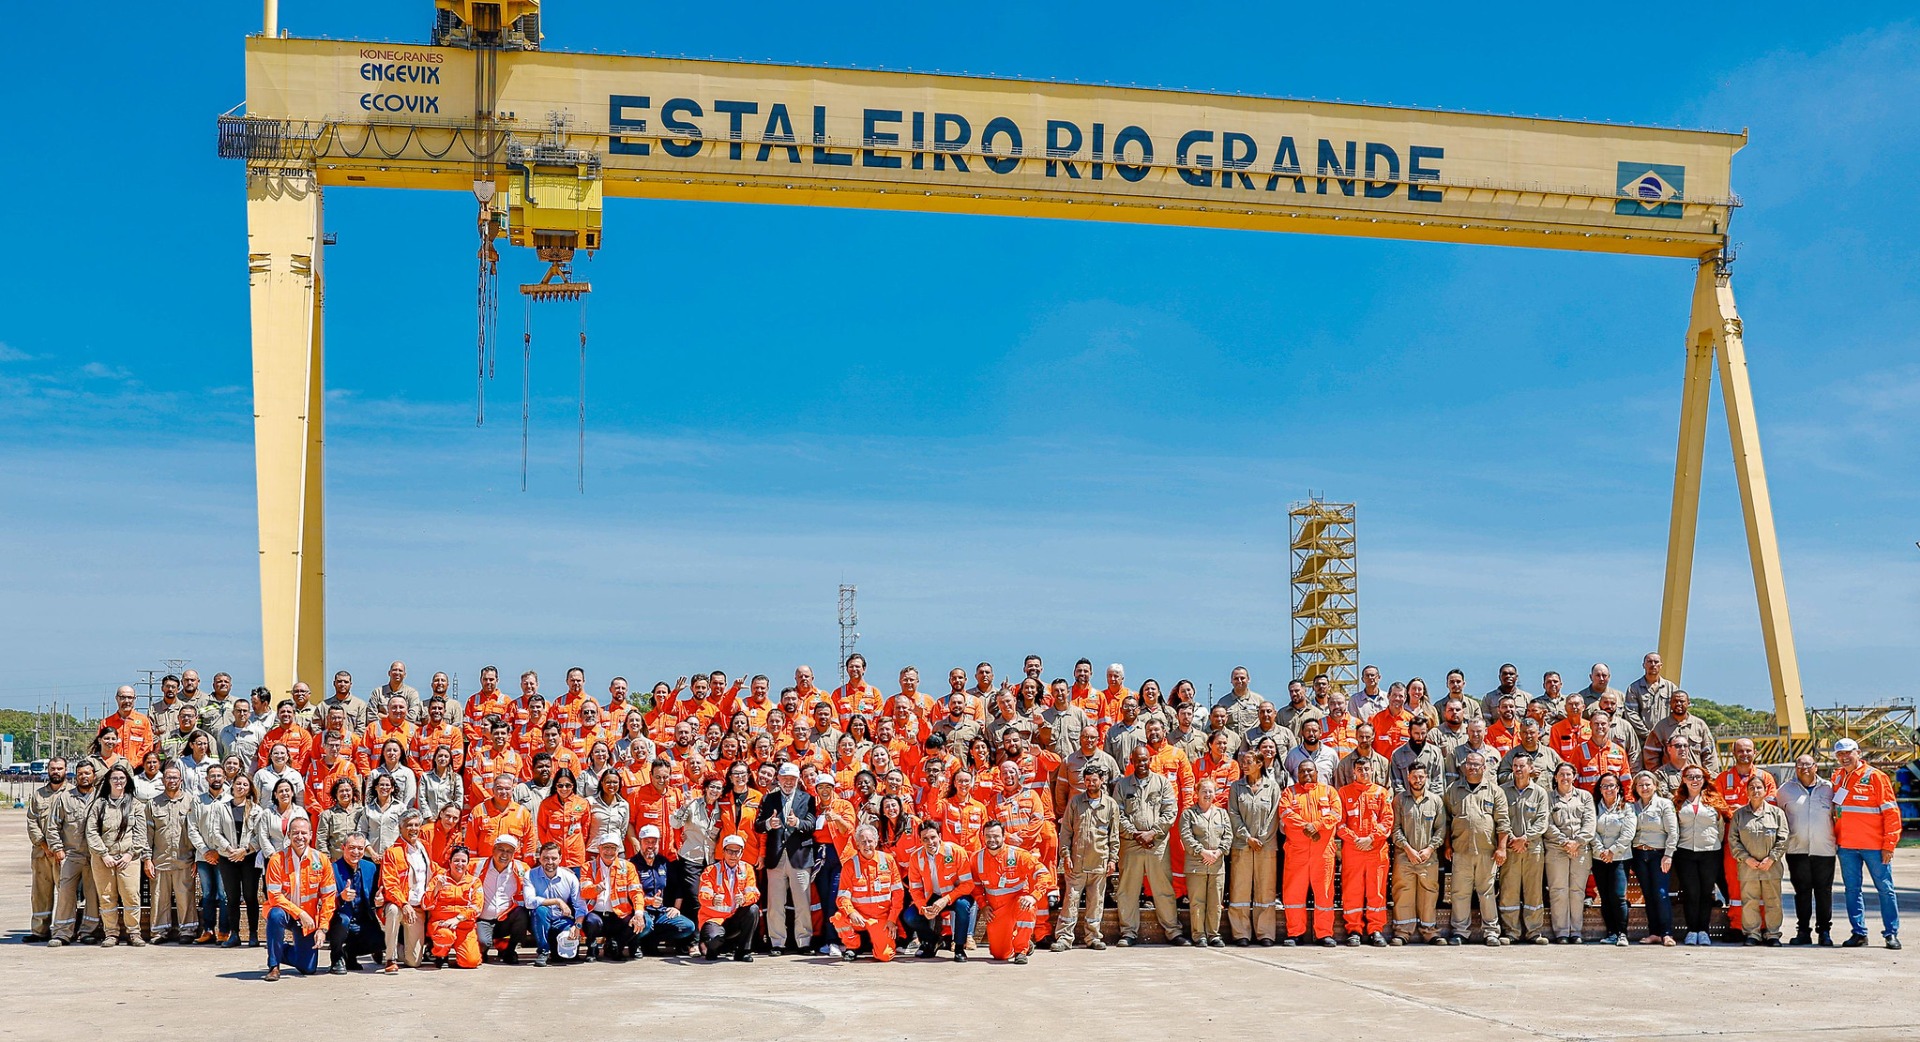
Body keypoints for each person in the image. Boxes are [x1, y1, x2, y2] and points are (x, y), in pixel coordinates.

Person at [1830, 737, 1902, 949]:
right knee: (1852, 890)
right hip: (1847, 846)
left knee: (1885, 889)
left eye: (1848, 753)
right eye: (1840, 754)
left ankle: (1891, 933)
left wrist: (1889, 845)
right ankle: (1859, 933)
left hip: (1875, 847)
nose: (1844, 757)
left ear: (1858, 753)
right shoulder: (1837, 777)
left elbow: (1891, 813)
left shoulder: (1876, 777)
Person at [1113, 743, 1181, 945]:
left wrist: (1153, 833)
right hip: (1131, 843)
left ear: (1150, 760)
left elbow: (1170, 812)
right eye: (1138, 760)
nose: (1142, 763)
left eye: (1145, 760)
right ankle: (1128, 932)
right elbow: (1118, 814)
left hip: (1156, 844)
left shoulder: (1162, 783)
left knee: (1163, 888)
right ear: (1132, 762)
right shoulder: (1122, 785)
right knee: (1127, 890)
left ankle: (1173, 931)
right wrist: (1135, 834)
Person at [1443, 751, 1509, 946]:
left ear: (1484, 768)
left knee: (1487, 893)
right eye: (1469, 764)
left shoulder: (1495, 791)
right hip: (1461, 851)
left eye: (1476, 765)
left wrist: (1502, 848)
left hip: (1487, 852)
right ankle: (1460, 931)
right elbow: (1447, 820)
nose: (1472, 768)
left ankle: (1491, 932)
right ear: (1464, 767)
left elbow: (1503, 822)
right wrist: (1447, 845)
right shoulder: (1453, 790)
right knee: (1459, 893)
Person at [754, 761, 819, 955]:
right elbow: (758, 825)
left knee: (802, 902)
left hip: (799, 856)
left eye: (792, 779)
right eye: (785, 778)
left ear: (798, 780)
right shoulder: (769, 798)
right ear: (778, 779)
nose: (789, 782)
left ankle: (804, 941)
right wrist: (768, 823)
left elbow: (811, 824)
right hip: (776, 857)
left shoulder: (807, 798)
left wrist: (797, 822)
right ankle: (777, 942)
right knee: (775, 903)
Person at [263, 816, 336, 980]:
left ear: (311, 835)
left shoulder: (321, 860)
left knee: (308, 968)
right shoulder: (277, 860)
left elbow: (328, 898)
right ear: (288, 835)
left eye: (304, 833)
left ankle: (277, 948)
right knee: (275, 914)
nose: (300, 837)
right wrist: (300, 913)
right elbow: (274, 896)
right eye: (295, 833)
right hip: (286, 912)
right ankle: (274, 966)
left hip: (308, 918)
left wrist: (322, 928)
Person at [1055, 764, 1119, 951]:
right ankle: (1064, 938)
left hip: (1099, 862)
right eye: (1087, 780)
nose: (1091, 783)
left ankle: (1093, 937)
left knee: (1096, 902)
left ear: (1102, 780)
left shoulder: (1110, 805)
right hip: (1077, 863)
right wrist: (1065, 855)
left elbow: (1114, 836)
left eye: (1094, 780)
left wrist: (1112, 859)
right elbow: (1066, 832)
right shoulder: (1075, 803)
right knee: (1070, 901)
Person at [1278, 759, 1341, 946]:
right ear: (1297, 774)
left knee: (1325, 893)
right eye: (1302, 771)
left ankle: (1324, 933)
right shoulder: (1289, 792)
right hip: (1297, 852)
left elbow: (1336, 814)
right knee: (1293, 894)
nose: (1306, 774)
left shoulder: (1329, 791)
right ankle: (1295, 933)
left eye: (1309, 771)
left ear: (1316, 772)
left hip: (1323, 853)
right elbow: (1285, 813)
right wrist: (1307, 826)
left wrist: (1317, 825)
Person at [1776, 753, 1837, 945]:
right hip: (1797, 849)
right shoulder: (1784, 790)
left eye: (1808, 765)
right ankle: (1803, 931)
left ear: (1816, 767)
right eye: (1800, 765)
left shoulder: (1829, 789)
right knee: (1802, 892)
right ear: (1795, 768)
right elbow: (1778, 816)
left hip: (1824, 849)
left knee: (1823, 891)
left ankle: (1824, 931)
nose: (1804, 769)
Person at [86, 763, 148, 947]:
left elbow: (141, 833)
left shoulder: (135, 805)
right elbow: (91, 831)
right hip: (103, 859)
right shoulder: (99, 804)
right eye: (114, 778)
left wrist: (130, 854)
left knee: (131, 895)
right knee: (106, 897)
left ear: (127, 780)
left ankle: (134, 932)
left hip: (128, 859)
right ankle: (111, 933)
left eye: (122, 778)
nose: (118, 781)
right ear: (108, 781)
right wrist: (103, 854)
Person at [972, 819, 1052, 963]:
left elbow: (1044, 874)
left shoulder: (1019, 855)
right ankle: (1020, 942)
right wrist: (983, 906)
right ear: (982, 837)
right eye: (988, 836)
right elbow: (976, 887)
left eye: (996, 836)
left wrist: (1033, 897)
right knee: (1000, 954)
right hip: (996, 910)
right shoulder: (977, 859)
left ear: (1004, 837)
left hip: (1017, 902)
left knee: (1027, 907)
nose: (992, 839)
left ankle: (1021, 950)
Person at [1227, 745, 1282, 945]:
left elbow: (1275, 815)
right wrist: (1247, 837)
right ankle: (1241, 933)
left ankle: (1265, 933)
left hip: (1266, 847)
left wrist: (1262, 838)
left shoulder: (1272, 787)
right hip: (1242, 845)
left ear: (1259, 764)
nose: (1244, 765)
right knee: (1239, 889)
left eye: (1249, 762)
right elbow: (1233, 814)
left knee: (1265, 890)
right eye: (1243, 762)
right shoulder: (1236, 787)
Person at [1336, 755, 1393, 946]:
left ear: (1372, 770)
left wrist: (1371, 838)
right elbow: (1340, 823)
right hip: (1353, 850)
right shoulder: (1344, 793)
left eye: (1367, 769)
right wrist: (1356, 840)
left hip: (1376, 850)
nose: (1364, 772)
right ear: (1353, 772)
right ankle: (1354, 930)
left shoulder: (1381, 793)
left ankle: (1376, 929)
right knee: (1352, 890)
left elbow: (1387, 821)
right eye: (1360, 770)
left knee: (1376, 891)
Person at [1390, 761, 1446, 945]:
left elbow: (1441, 829)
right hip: (1405, 857)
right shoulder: (1399, 800)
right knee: (1403, 892)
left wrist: (1430, 849)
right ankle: (1402, 932)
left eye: (1421, 776)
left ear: (1426, 777)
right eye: (1414, 776)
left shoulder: (1435, 801)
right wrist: (1408, 849)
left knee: (1429, 894)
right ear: (1408, 777)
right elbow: (1395, 828)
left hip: (1428, 858)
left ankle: (1429, 932)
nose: (1418, 780)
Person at [1729, 775, 1789, 946]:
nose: (1755, 791)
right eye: (1752, 788)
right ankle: (1752, 934)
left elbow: (1783, 838)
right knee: (1750, 902)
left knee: (1773, 901)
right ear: (1747, 792)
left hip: (1771, 867)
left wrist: (1771, 858)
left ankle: (1773, 934)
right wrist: (1746, 859)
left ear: (1765, 791)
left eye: (1759, 787)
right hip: (1748, 867)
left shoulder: (1777, 813)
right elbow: (1733, 840)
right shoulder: (1739, 815)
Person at [831, 823, 904, 962]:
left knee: (884, 956)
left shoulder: (888, 860)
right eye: (863, 842)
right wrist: (851, 912)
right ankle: (852, 947)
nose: (867, 845)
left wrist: (892, 919)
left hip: (881, 918)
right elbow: (842, 896)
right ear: (857, 844)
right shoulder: (850, 865)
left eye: (870, 841)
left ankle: (874, 942)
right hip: (859, 917)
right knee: (839, 918)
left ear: (876, 842)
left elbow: (898, 893)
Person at [1672, 764, 1727, 945]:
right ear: (1684, 780)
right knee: (1691, 892)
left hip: (1710, 852)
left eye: (1698, 777)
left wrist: (1713, 842)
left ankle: (1703, 930)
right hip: (1685, 852)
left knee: (1706, 893)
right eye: (1690, 777)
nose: (1694, 780)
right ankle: (1691, 930)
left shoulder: (1713, 800)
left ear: (1704, 780)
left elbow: (1720, 827)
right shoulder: (1678, 802)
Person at [1498, 753, 1549, 944]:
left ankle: (1534, 932)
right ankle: (1511, 932)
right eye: (1515, 766)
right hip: (1510, 848)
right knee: (1508, 890)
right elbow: (1500, 817)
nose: (1518, 769)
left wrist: (1525, 838)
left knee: (1533, 891)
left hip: (1533, 849)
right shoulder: (1502, 791)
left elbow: (1542, 820)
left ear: (1530, 768)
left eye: (1522, 766)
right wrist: (1512, 838)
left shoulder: (1540, 793)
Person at [1543, 761, 1596, 943]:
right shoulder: (1548, 797)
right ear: (1555, 777)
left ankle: (1576, 931)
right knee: (1558, 889)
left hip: (1581, 849)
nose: (1565, 778)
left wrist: (1577, 842)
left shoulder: (1585, 796)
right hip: (1556, 848)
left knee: (1577, 890)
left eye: (1568, 774)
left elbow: (1590, 822)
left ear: (1574, 777)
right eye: (1561, 774)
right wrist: (1564, 842)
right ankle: (1562, 932)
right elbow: (1547, 823)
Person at [627, 825, 699, 956]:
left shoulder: (664, 863)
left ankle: (651, 941)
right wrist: (648, 901)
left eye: (654, 842)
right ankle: (635, 943)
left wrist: (676, 908)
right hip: (640, 911)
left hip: (660, 912)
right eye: (647, 842)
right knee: (646, 924)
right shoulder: (631, 864)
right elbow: (628, 894)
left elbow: (677, 887)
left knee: (688, 926)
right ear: (640, 842)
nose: (650, 846)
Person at [145, 764, 198, 943]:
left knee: (185, 897)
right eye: (168, 777)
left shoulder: (191, 802)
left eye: (175, 777)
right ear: (163, 780)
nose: (172, 781)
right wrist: (147, 859)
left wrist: (197, 858)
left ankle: (187, 931)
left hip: (185, 859)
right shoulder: (153, 804)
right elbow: (147, 834)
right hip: (160, 860)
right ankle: (159, 932)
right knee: (159, 897)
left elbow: (197, 831)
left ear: (181, 780)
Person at [1179, 774, 1232, 947]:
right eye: (1204, 791)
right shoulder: (1188, 814)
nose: (1207, 794)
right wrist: (1202, 852)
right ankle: (1199, 935)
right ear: (1197, 793)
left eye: (1211, 791)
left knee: (1215, 902)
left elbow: (1228, 836)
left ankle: (1213, 934)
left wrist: (1218, 853)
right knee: (1197, 902)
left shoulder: (1222, 814)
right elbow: (1186, 836)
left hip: (1217, 866)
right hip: (1196, 865)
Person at [379, 811, 433, 971]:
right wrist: (404, 904)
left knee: (414, 961)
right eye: (409, 825)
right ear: (400, 827)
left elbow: (433, 870)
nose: (413, 829)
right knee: (393, 911)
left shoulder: (424, 847)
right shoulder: (392, 852)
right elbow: (390, 884)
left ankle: (394, 944)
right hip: (400, 904)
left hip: (418, 908)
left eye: (416, 825)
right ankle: (390, 958)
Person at [1629, 770, 1678, 946]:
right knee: (1648, 895)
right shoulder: (1632, 807)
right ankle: (1655, 933)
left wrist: (1668, 854)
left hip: (1659, 855)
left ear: (1655, 786)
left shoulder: (1664, 804)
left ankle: (1667, 933)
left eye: (1647, 784)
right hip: (1639, 855)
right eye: (1640, 785)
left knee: (1661, 894)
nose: (1644, 788)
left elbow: (1673, 832)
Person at [580, 832, 645, 960]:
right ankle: (592, 948)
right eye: (606, 847)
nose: (609, 852)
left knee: (639, 921)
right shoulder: (588, 867)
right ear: (599, 848)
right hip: (596, 914)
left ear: (618, 850)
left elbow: (636, 892)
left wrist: (638, 913)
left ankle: (616, 945)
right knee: (591, 922)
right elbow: (584, 891)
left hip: (619, 915)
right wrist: (595, 889)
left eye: (613, 848)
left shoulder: (628, 867)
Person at [698, 833, 762, 962]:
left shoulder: (747, 869)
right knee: (713, 941)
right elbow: (702, 896)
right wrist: (712, 899)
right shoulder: (711, 870)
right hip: (714, 919)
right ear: (723, 852)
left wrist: (745, 899)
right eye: (729, 851)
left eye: (737, 852)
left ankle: (743, 952)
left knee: (753, 909)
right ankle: (712, 948)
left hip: (735, 918)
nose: (733, 855)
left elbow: (754, 893)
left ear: (742, 853)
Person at [25, 757, 69, 941]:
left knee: (66, 894)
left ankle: (64, 930)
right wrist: (44, 845)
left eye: (59, 768)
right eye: (53, 769)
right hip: (42, 853)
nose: (56, 772)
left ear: (66, 770)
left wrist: (60, 849)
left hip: (64, 854)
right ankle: (40, 931)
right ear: (48, 770)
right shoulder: (39, 795)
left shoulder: (72, 794)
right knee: (40, 894)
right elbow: (32, 821)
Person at [1590, 772, 1637, 946]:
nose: (1608, 789)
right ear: (1600, 789)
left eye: (1612, 786)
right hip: (1599, 857)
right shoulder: (1594, 807)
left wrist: (1612, 851)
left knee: (1618, 896)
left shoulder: (1627, 808)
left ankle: (1622, 933)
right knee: (1605, 897)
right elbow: (1591, 831)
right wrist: (1601, 850)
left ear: (1618, 788)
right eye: (1604, 786)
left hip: (1620, 858)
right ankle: (1611, 933)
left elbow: (1628, 833)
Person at [328, 833, 385, 972]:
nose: (356, 852)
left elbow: (373, 896)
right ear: (343, 848)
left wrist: (378, 901)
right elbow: (324, 901)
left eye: (360, 848)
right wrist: (341, 897)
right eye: (352, 848)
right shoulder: (332, 869)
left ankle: (349, 954)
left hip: (362, 920)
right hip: (339, 920)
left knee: (383, 942)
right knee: (343, 921)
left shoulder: (370, 868)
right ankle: (336, 956)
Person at [524, 841, 585, 965]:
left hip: (562, 920)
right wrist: (558, 901)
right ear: (540, 859)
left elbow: (580, 906)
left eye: (554, 858)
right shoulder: (530, 875)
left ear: (560, 859)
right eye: (545, 858)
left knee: (565, 957)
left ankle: (556, 949)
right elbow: (529, 902)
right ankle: (543, 951)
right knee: (540, 910)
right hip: (540, 922)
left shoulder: (570, 878)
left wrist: (577, 926)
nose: (550, 862)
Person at [474, 835, 533, 962]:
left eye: (509, 851)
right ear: (493, 850)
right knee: (483, 943)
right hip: (483, 920)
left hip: (506, 920)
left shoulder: (522, 868)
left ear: (514, 854)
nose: (504, 854)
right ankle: (482, 950)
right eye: (501, 849)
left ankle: (510, 951)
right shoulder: (476, 866)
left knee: (522, 914)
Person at [424, 846, 483, 969]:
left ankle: (461, 952)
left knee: (471, 962)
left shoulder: (474, 882)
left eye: (463, 861)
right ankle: (440, 954)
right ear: (450, 862)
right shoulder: (438, 879)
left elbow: (477, 907)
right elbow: (425, 904)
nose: (459, 864)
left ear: (468, 863)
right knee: (445, 936)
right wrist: (436, 890)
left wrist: (457, 919)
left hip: (465, 926)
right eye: (456, 860)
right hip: (442, 924)